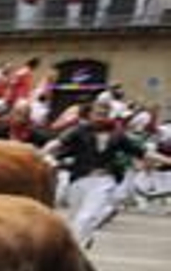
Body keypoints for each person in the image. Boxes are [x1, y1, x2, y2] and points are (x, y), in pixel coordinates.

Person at [46, 98, 158, 247]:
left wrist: (167, 160)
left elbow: (143, 152)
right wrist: (41, 152)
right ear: (90, 114)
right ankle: (85, 238)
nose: (101, 117)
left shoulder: (117, 134)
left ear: (109, 115)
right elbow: (57, 143)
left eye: (104, 114)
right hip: (79, 180)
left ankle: (73, 250)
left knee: (86, 217)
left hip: (104, 180)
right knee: (76, 219)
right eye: (98, 113)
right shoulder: (79, 131)